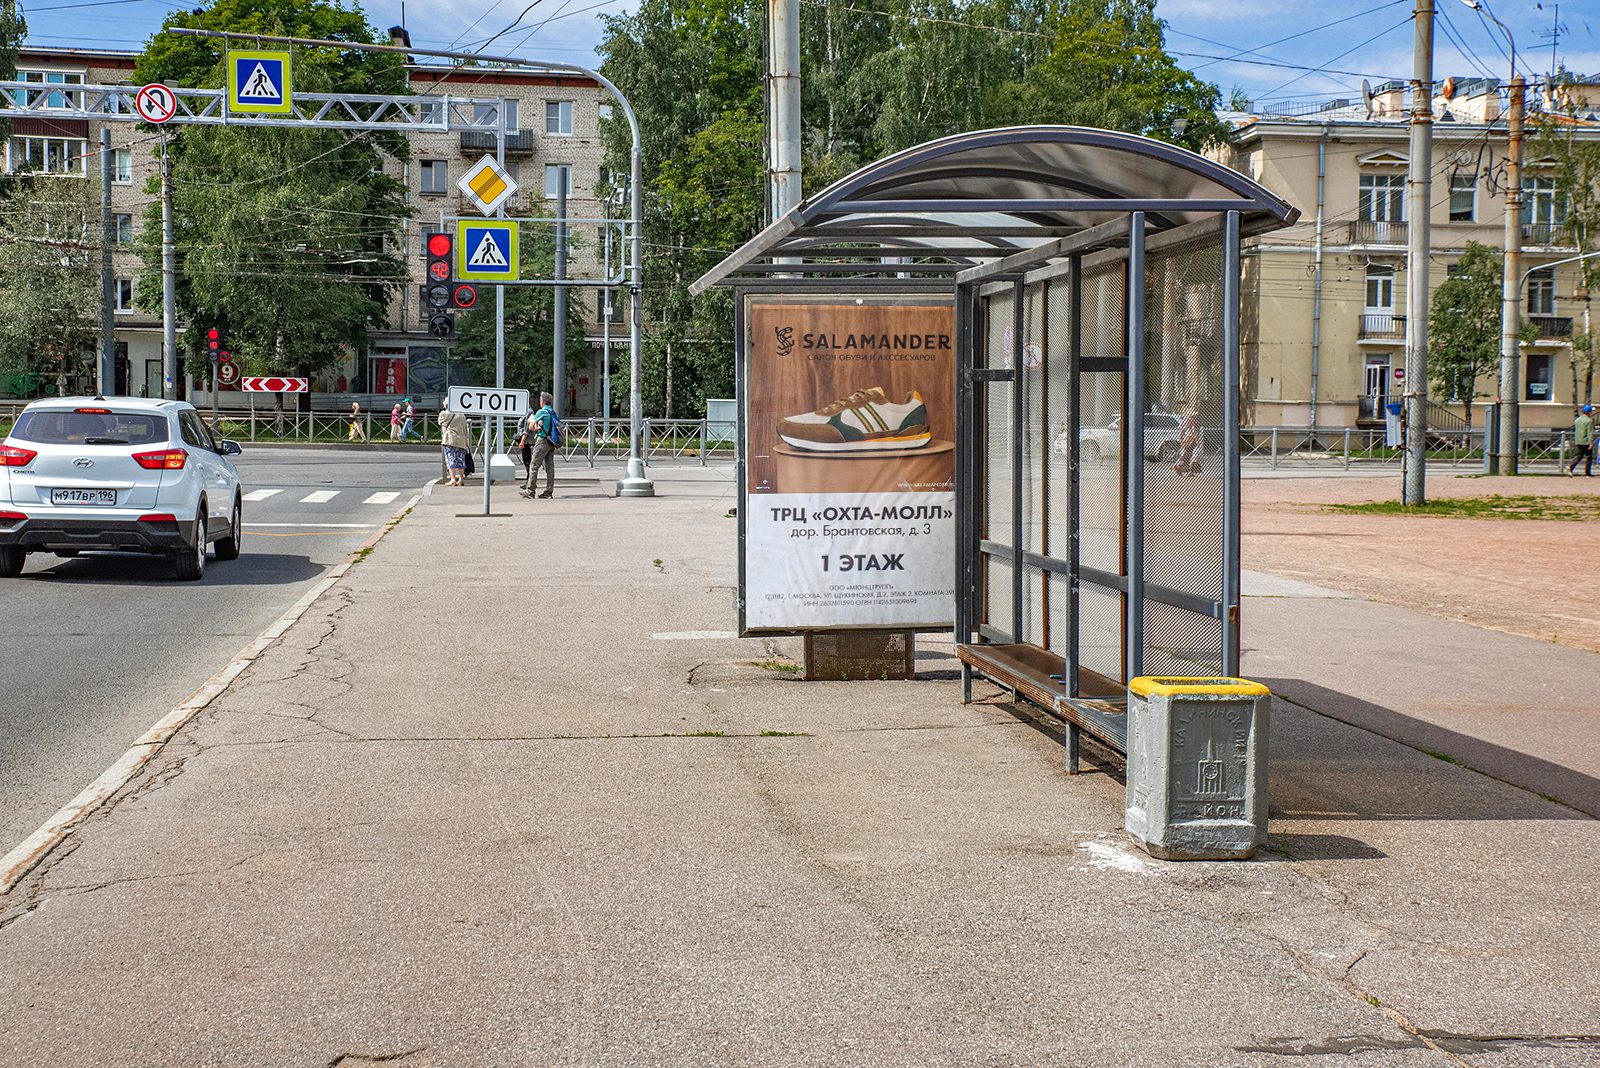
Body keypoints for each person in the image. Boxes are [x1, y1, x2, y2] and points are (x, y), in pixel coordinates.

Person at [521, 391, 558, 499]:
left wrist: (534, 423)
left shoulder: (542, 412)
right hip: (552, 442)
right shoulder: (552, 412)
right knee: (550, 468)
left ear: (542, 401)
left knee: (534, 466)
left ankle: (530, 490)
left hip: (542, 440)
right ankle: (548, 491)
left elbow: (531, 426)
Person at [438, 402, 471, 487]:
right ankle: (461, 479)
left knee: (450, 459)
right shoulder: (462, 415)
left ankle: (453, 479)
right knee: (461, 460)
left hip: (450, 440)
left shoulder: (444, 414)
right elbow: (465, 428)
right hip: (461, 441)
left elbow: (440, 422)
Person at [1569, 404, 1595, 477]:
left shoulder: (1577, 420)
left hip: (1578, 440)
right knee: (1589, 457)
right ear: (1589, 412)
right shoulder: (1589, 421)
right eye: (1591, 412)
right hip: (1586, 441)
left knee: (1579, 456)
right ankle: (1587, 473)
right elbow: (1590, 432)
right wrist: (1591, 443)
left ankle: (1570, 467)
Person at [1174, 409, 1202, 476]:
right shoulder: (1186, 427)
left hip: (1192, 445)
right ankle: (1179, 466)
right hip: (1187, 444)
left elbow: (1197, 440)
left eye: (1193, 417)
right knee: (1184, 453)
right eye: (1191, 417)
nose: (1193, 419)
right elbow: (1182, 438)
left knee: (1194, 454)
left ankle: (1190, 470)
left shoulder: (1193, 427)